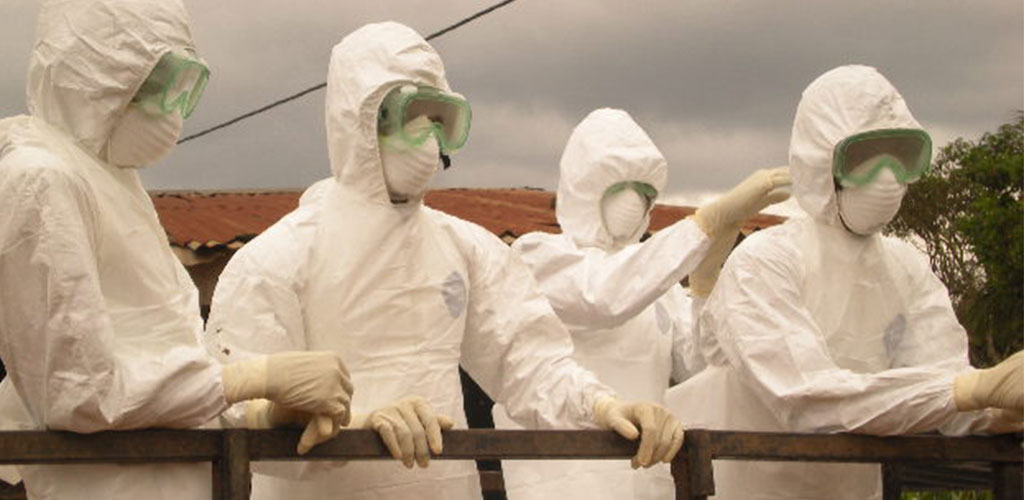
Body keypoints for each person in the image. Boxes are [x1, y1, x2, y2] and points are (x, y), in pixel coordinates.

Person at [204, 21, 686, 500]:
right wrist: (356, 427)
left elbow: (528, 361)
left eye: (441, 121)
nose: (430, 140)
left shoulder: (465, 249)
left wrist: (603, 407)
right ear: (361, 118)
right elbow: (237, 414)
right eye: (414, 117)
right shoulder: (277, 259)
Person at [0, 1, 354, 499]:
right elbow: (76, 393)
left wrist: (260, 413)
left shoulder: (112, 181)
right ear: (93, 75)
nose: (172, 111)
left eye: (184, 86)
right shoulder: (41, 179)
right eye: (157, 85)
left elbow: (163, 358)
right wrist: (250, 378)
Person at [666, 64, 1024, 500]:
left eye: (900, 156)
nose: (887, 177)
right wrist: (971, 389)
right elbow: (807, 398)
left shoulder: (906, 267)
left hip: (855, 489)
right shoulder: (765, 262)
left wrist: (1000, 407)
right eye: (864, 159)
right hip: (749, 488)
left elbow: (942, 392)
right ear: (821, 162)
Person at [491, 108, 791, 500]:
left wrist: (704, 291)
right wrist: (707, 222)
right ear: (584, 187)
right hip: (565, 479)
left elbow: (697, 365)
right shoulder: (539, 256)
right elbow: (604, 297)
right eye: (620, 186)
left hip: (644, 477)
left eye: (645, 190)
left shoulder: (657, 282)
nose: (634, 201)